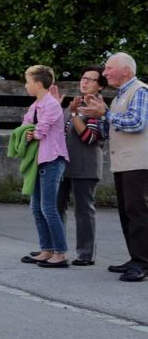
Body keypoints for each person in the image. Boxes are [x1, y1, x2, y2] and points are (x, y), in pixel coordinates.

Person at [80, 53, 148, 282]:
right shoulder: (119, 95)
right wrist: (100, 118)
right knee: (127, 213)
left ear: (126, 71)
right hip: (124, 162)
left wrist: (105, 114)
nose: (105, 72)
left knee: (138, 213)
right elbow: (112, 130)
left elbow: (137, 123)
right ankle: (135, 258)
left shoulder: (139, 91)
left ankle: (142, 263)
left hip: (138, 162)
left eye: (109, 68)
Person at [18, 65, 70, 267]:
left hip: (52, 159)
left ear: (38, 84)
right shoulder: (36, 105)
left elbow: (41, 130)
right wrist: (28, 132)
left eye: (28, 82)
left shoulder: (51, 105)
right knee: (36, 207)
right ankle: (46, 249)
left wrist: (32, 133)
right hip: (38, 161)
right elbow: (25, 126)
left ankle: (60, 252)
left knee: (48, 207)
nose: (26, 86)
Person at [55, 66, 107, 265]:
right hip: (64, 165)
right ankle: (56, 249)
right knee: (57, 207)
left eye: (91, 80)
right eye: (83, 78)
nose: (85, 82)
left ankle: (85, 254)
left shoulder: (98, 107)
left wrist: (75, 115)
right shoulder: (75, 104)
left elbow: (89, 137)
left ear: (100, 86)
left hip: (86, 167)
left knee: (84, 211)